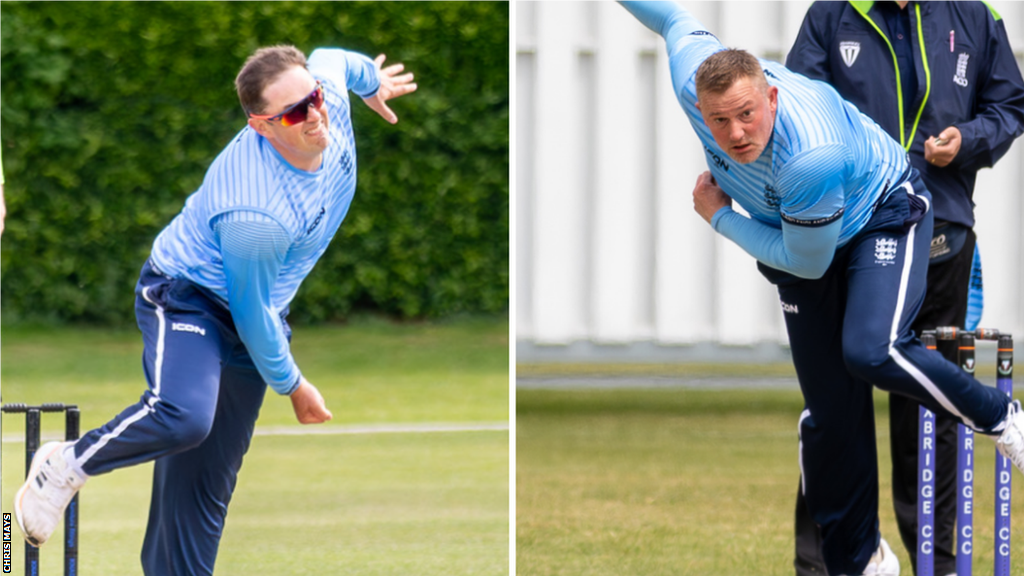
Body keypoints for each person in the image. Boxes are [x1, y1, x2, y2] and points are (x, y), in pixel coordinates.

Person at [612, 0, 1024, 574]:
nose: (734, 134)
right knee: (830, 413)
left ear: (773, 97)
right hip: (806, 231)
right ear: (696, 104)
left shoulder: (810, 156)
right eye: (719, 120)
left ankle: (1001, 416)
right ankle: (860, 560)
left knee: (869, 350)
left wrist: (720, 216)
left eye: (748, 115)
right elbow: (670, 17)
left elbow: (806, 263)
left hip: (884, 210)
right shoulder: (696, 77)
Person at [12, 44, 417, 574]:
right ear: (262, 125)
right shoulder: (254, 212)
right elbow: (251, 313)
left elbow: (333, 60)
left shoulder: (327, 101)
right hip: (189, 295)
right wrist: (293, 385)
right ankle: (65, 467)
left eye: (314, 98)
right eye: (295, 112)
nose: (315, 113)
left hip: (258, 308)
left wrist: (371, 81)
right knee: (182, 417)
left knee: (203, 490)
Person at [784, 1, 1024, 574]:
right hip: (847, 228)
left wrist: (965, 140)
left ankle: (934, 563)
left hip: (941, 224)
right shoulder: (831, 15)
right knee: (835, 399)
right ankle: (830, 561)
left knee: (927, 397)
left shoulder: (974, 15)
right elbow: (794, 111)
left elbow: (1009, 106)